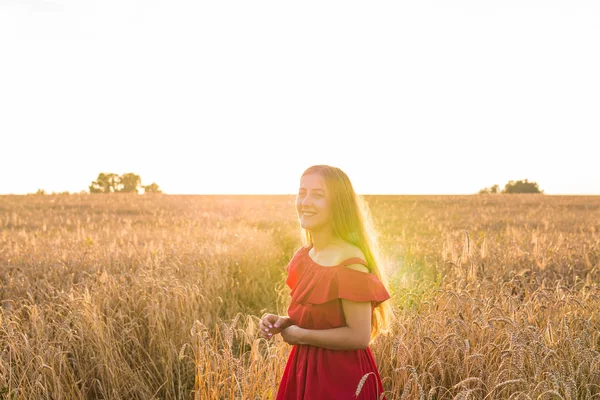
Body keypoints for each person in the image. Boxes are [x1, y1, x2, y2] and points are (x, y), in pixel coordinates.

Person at [259, 165, 393, 399]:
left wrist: (300, 335)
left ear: (338, 204)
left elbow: (359, 336)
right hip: (303, 370)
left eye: (318, 195)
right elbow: (319, 318)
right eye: (302, 193)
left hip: (341, 380)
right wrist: (284, 322)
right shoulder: (305, 256)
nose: (306, 201)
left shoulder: (350, 262)